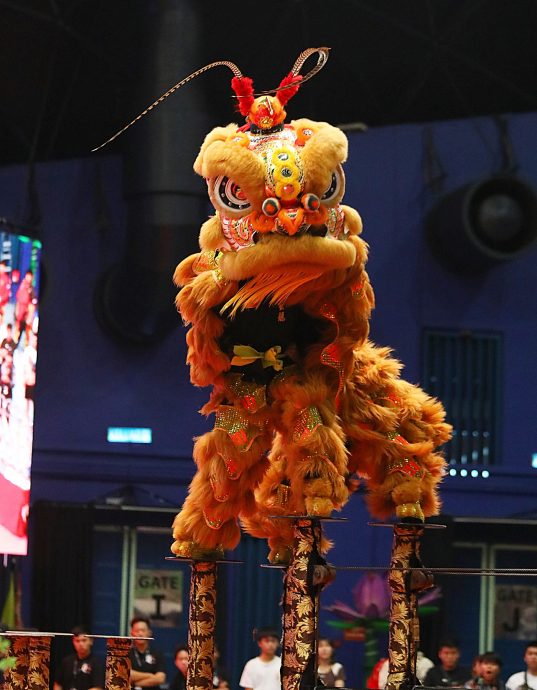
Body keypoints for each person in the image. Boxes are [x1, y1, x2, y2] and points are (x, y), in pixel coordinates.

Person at [53, 625, 104, 690]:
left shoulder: (96, 663)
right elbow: (57, 684)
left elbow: (98, 687)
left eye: (84, 640)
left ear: (91, 641)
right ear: (73, 642)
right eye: (77, 641)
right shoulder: (66, 661)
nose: (80, 644)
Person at [129, 617, 166, 689]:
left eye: (143, 630)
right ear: (131, 633)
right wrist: (150, 676)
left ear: (149, 632)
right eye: (137, 631)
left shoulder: (157, 653)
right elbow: (127, 675)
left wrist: (135, 683)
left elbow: (160, 678)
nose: (140, 634)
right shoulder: (126, 653)